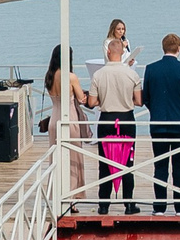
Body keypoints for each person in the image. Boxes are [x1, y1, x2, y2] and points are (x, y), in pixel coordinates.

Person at [142, 34, 180, 213]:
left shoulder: (151, 69)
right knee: (179, 167)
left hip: (158, 124)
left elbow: (146, 97)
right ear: (179, 48)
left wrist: (156, 110)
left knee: (160, 166)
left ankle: (159, 206)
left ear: (163, 48)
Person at [90, 41, 144, 214]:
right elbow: (139, 101)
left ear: (107, 51)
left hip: (106, 119)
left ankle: (104, 204)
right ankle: (128, 203)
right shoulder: (131, 75)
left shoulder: (98, 75)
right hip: (126, 119)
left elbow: (91, 102)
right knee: (127, 162)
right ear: (122, 53)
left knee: (105, 163)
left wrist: (102, 100)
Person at [46, 43, 90, 204]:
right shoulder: (70, 77)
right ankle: (71, 197)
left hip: (53, 119)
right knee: (73, 158)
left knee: (56, 160)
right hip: (69, 118)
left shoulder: (49, 76)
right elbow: (81, 98)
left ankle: (57, 194)